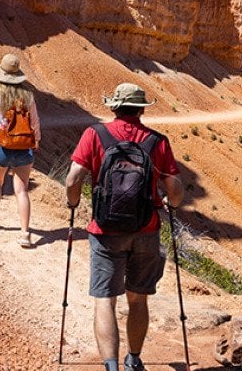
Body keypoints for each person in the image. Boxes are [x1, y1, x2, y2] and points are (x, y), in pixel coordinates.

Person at [65, 83, 184, 371]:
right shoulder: (157, 141)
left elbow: (72, 179)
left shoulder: (96, 134)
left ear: (114, 107)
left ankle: (111, 366)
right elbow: (175, 188)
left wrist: (73, 204)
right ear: (142, 109)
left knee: (105, 300)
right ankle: (134, 359)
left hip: (105, 231)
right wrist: (173, 204)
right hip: (146, 229)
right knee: (138, 299)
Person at [0, 53, 40, 248]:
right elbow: (35, 122)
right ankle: (25, 233)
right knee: (21, 190)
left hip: (1, 145)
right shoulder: (28, 95)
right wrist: (36, 141)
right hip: (24, 147)